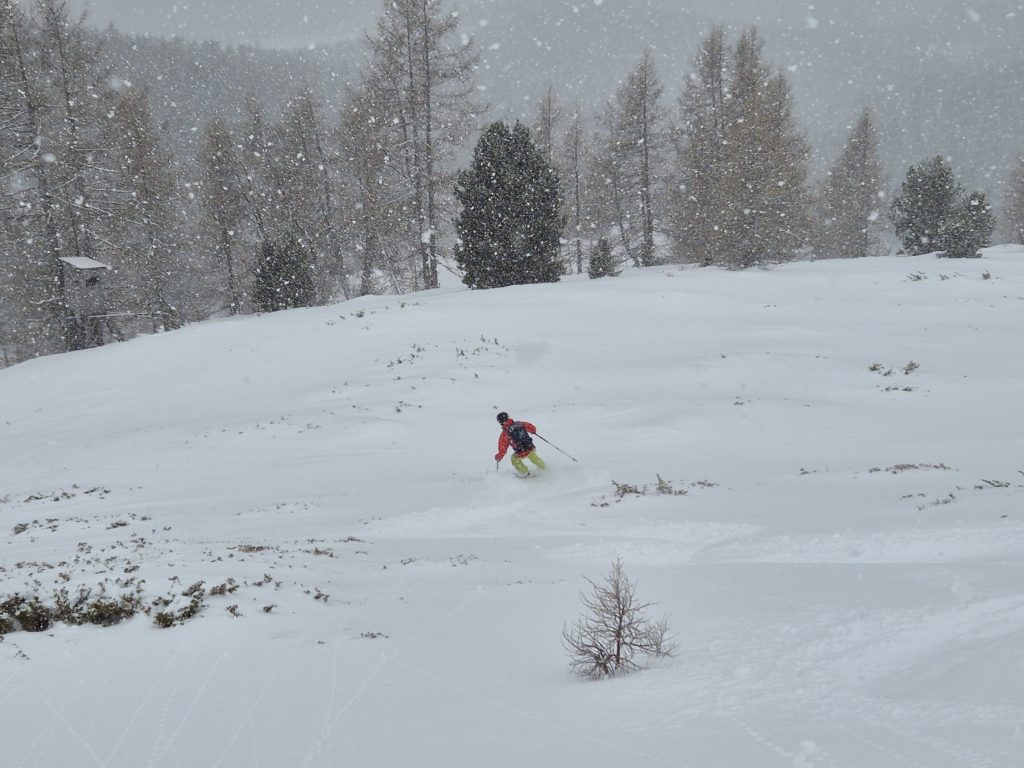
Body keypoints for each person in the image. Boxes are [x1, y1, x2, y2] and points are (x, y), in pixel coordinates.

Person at [494, 411, 548, 477]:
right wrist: (533, 431)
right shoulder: (519, 423)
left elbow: (503, 447)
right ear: (508, 417)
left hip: (520, 452)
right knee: (533, 457)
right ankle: (543, 467)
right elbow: (532, 428)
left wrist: (499, 456)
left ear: (500, 422)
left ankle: (524, 472)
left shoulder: (505, 433)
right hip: (530, 447)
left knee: (514, 459)